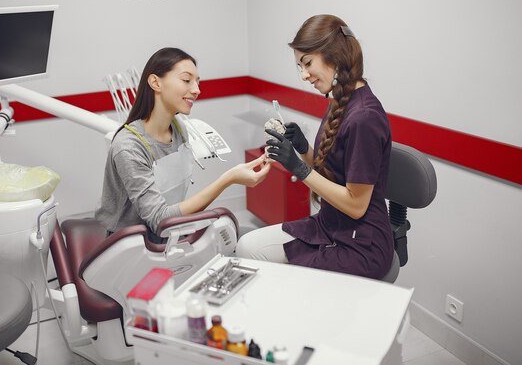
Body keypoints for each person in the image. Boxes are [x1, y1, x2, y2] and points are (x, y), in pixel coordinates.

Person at [235, 15, 394, 280]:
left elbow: (356, 206)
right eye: (300, 66)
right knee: (246, 247)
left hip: (360, 245)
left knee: (286, 284)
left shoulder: (364, 117)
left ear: (334, 56)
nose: (304, 75)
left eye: (307, 63)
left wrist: (298, 167)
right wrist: (304, 149)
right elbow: (332, 172)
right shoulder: (339, 101)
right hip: (330, 225)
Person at [95, 47, 270, 240]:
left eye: (197, 82)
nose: (196, 90)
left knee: (249, 237)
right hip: (132, 243)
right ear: (155, 82)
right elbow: (158, 219)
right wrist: (227, 180)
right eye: (187, 80)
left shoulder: (178, 129)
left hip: (174, 230)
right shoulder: (128, 147)